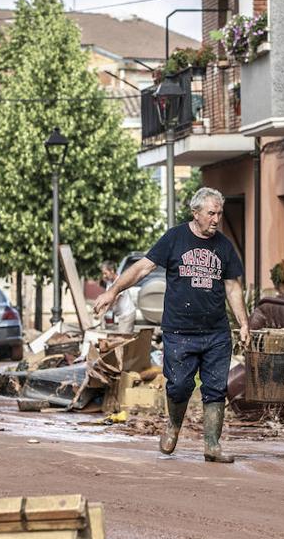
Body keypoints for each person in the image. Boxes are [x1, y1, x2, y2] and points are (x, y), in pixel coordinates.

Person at [94, 187, 250, 463]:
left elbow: (232, 287)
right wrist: (113, 291)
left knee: (215, 388)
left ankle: (212, 444)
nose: (216, 219)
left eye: (219, 214)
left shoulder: (224, 246)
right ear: (196, 213)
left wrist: (243, 323)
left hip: (216, 332)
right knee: (178, 385)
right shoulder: (175, 238)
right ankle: (174, 426)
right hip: (179, 332)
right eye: (211, 213)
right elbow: (142, 268)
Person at [100, 260, 137, 334]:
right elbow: (107, 297)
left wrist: (103, 311)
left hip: (127, 315)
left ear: (112, 271)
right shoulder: (109, 282)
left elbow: (114, 299)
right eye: (103, 274)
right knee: (121, 338)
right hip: (120, 315)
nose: (104, 276)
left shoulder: (120, 281)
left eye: (105, 273)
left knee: (122, 339)